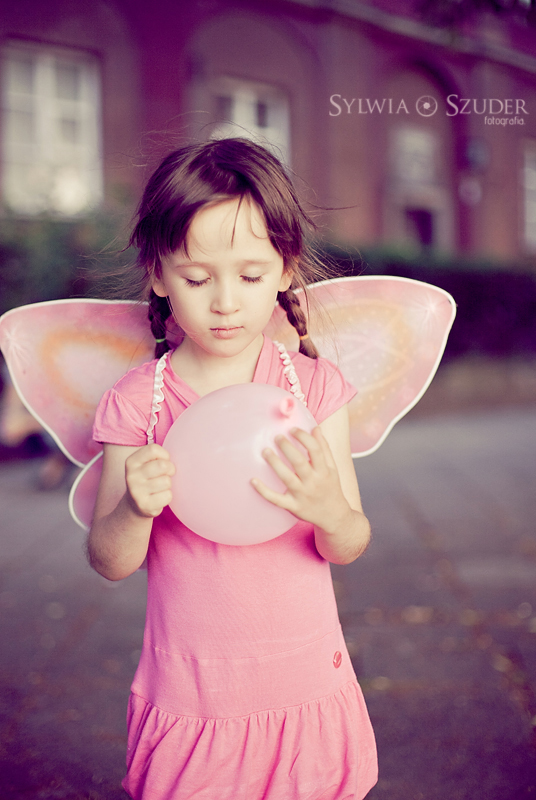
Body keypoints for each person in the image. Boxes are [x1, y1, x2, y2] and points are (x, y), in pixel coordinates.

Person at [87, 138, 378, 800]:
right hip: (193, 691)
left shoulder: (311, 389)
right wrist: (133, 510)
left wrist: (330, 510)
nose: (224, 302)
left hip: (303, 679)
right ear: (158, 275)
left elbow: (351, 540)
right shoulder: (138, 402)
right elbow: (109, 561)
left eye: (249, 276)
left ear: (285, 270)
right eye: (197, 279)